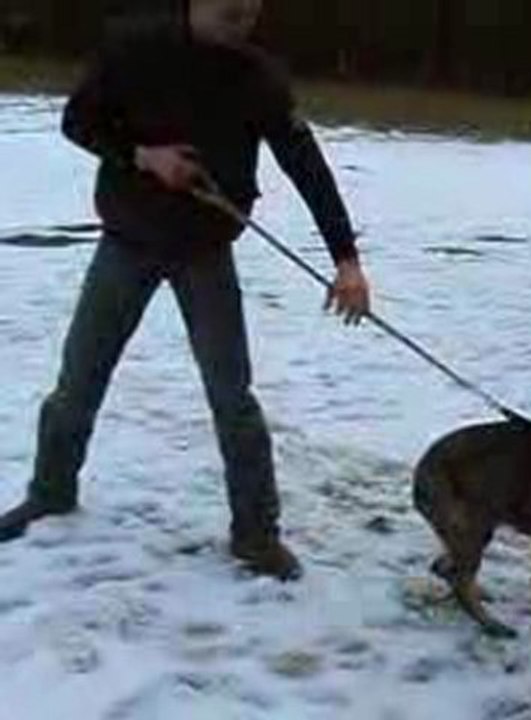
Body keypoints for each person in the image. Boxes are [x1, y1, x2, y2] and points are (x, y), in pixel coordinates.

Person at [0, 0, 372, 582]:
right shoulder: (134, 47)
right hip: (129, 239)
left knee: (233, 396)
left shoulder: (258, 76)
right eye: (230, 11)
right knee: (79, 379)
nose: (242, 21)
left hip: (205, 250)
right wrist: (143, 156)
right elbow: (78, 120)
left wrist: (346, 260)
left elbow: (306, 164)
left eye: (250, 13)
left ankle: (256, 534)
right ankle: (50, 491)